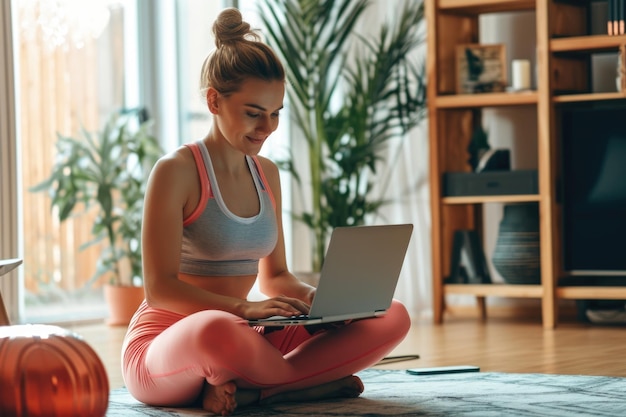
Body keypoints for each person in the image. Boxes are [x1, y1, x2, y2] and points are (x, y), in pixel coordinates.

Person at [121, 7, 411, 416]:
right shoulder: (175, 172)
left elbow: (275, 278)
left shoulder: (266, 174)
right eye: (254, 113)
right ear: (213, 101)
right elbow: (160, 288)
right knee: (217, 329)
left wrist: (323, 306)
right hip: (168, 344)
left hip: (247, 333)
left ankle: (259, 391)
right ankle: (300, 384)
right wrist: (242, 309)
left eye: (276, 114)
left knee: (391, 316)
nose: (267, 128)